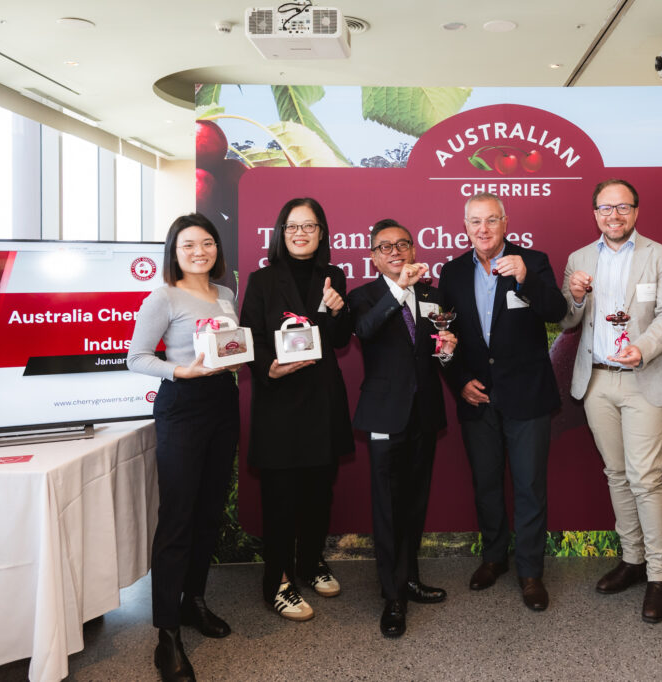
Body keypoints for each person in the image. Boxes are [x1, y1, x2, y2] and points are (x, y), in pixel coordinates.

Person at [560, 178, 662, 623]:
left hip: (644, 379)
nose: (613, 215)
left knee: (645, 478)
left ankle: (661, 575)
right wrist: (576, 296)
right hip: (597, 380)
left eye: (622, 207)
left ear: (636, 211)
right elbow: (568, 319)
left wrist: (643, 348)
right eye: (605, 208)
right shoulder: (578, 259)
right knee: (616, 473)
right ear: (594, 212)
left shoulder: (661, 256)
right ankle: (632, 560)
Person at [438, 192, 567, 612]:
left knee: (529, 487)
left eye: (491, 220)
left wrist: (527, 278)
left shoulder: (534, 261)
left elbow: (556, 311)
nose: (484, 229)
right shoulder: (453, 272)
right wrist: (459, 381)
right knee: (487, 484)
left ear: (505, 222)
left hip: (526, 396)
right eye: (475, 221)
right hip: (477, 397)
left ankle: (530, 572)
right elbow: (444, 337)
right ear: (465, 227)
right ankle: (494, 557)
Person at [127, 213, 239, 682]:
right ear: (174, 251)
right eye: (189, 244)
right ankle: (167, 633)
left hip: (223, 403)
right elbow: (136, 358)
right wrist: (181, 371)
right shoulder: (164, 296)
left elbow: (228, 346)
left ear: (217, 249)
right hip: (182, 406)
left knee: (209, 511)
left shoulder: (227, 293)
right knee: (177, 519)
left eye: (207, 243)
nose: (199, 251)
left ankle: (194, 601)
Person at [239, 197, 354, 623]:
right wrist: (268, 366)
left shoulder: (334, 276)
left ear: (322, 233)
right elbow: (249, 337)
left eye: (309, 226)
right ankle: (278, 581)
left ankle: (310, 563)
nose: (300, 233)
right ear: (280, 233)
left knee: (319, 495)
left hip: (322, 402)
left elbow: (340, 339)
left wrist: (340, 311)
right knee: (280, 500)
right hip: (280, 404)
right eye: (292, 226)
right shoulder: (262, 280)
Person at [348, 219, 457, 638]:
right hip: (384, 415)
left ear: (413, 249)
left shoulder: (432, 295)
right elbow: (365, 330)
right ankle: (392, 596)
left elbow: (439, 352)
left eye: (402, 244)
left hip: (424, 412)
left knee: (414, 503)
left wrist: (448, 351)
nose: (395, 251)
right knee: (388, 507)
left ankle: (410, 579)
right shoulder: (364, 296)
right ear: (373, 257)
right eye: (385, 246)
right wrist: (398, 289)